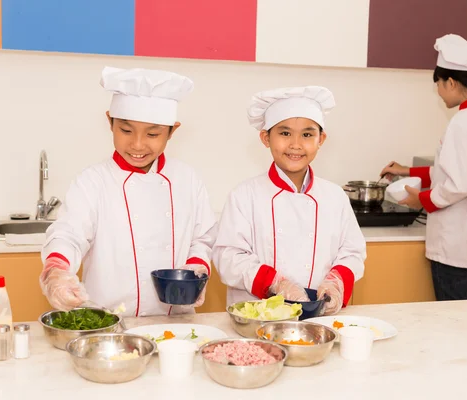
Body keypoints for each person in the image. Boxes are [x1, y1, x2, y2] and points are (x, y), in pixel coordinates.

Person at [39, 67, 217, 316]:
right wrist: (56, 270)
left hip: (175, 324)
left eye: (153, 134)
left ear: (172, 131)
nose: (137, 144)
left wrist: (197, 267)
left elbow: (203, 238)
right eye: (126, 130)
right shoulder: (93, 181)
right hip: (107, 323)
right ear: (110, 122)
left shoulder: (186, 179)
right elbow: (68, 234)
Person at [213, 86, 366, 315]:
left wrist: (337, 282)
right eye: (285, 133)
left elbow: (352, 252)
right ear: (266, 138)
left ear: (321, 139)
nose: (296, 144)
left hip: (320, 319)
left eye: (307, 134)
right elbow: (228, 257)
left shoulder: (335, 196)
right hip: (260, 318)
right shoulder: (244, 195)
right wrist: (276, 283)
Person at [381, 34, 467, 301]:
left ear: (451, 82)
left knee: (452, 323)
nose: (438, 92)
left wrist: (421, 200)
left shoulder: (462, 122)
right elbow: (461, 170)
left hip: (457, 244)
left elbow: (460, 183)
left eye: (438, 84)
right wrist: (406, 171)